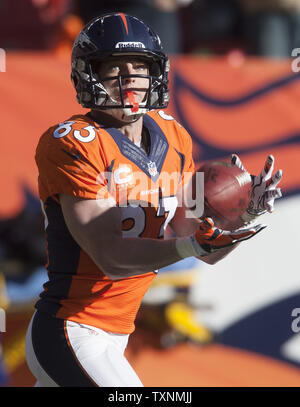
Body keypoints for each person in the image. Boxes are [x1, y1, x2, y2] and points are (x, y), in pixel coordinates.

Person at [25, 12, 282, 387]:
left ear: (155, 73)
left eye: (139, 66)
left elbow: (196, 239)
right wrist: (192, 243)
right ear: (88, 74)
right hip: (71, 329)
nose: (129, 77)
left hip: (117, 333)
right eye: (114, 67)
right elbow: (111, 257)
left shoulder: (174, 137)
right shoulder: (72, 142)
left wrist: (238, 215)